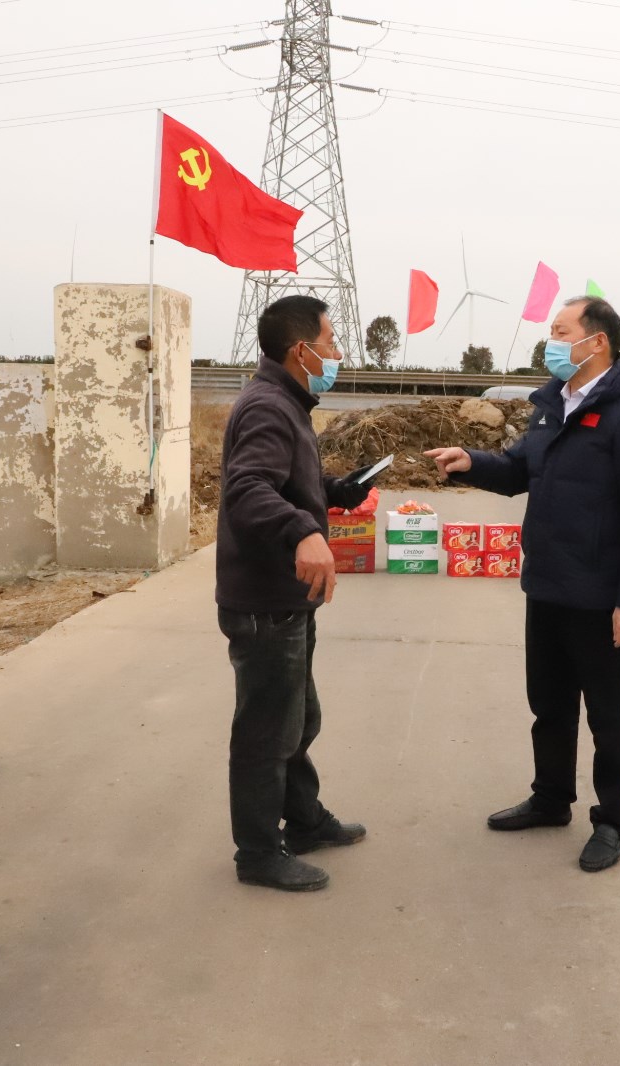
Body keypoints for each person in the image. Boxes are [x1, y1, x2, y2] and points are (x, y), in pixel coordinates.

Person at [426, 297, 620, 872]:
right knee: (550, 706)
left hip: (601, 594)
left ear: (597, 342)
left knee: (608, 717)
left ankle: (613, 820)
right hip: (547, 584)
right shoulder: (554, 404)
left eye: (561, 332)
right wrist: (471, 462)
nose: (551, 343)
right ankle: (551, 798)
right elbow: (520, 469)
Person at [216, 294, 373, 892]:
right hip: (265, 602)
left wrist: (332, 490)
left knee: (298, 717)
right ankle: (258, 853)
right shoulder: (268, 406)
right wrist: (304, 530)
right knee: (267, 731)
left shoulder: (287, 402)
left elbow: (284, 481)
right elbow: (248, 489)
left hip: (287, 599)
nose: (338, 353)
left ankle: (303, 820)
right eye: (331, 342)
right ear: (301, 350)